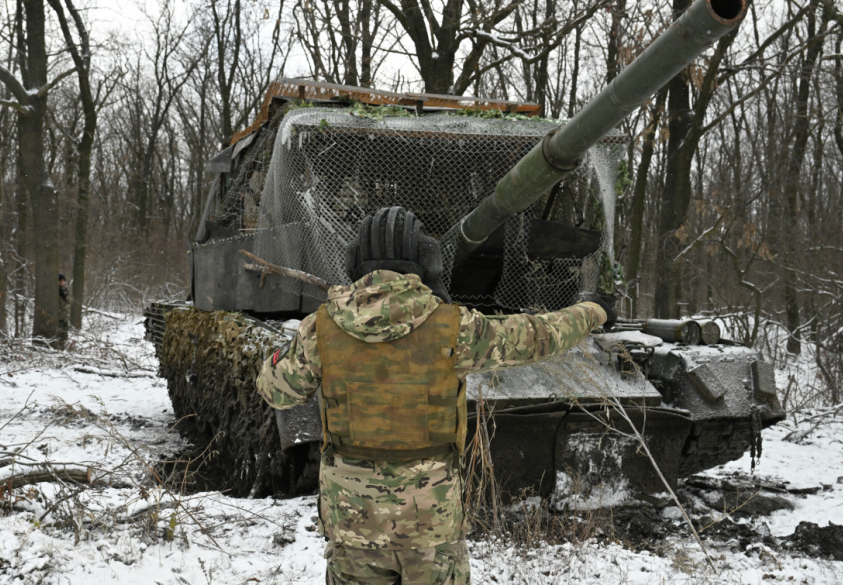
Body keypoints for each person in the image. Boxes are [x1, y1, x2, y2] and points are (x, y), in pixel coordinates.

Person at [256, 206, 616, 585]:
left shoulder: (321, 329)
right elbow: (539, 335)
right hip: (431, 526)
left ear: (354, 261)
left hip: (352, 525)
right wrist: (593, 311)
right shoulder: (455, 328)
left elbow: (274, 390)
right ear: (427, 260)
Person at [58, 273, 71, 347]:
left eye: (63, 281)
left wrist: (65, 296)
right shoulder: (54, 290)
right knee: (58, 333)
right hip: (58, 316)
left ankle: (62, 348)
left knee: (64, 335)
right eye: (60, 281)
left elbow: (71, 300)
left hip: (65, 316)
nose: (62, 283)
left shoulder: (65, 290)